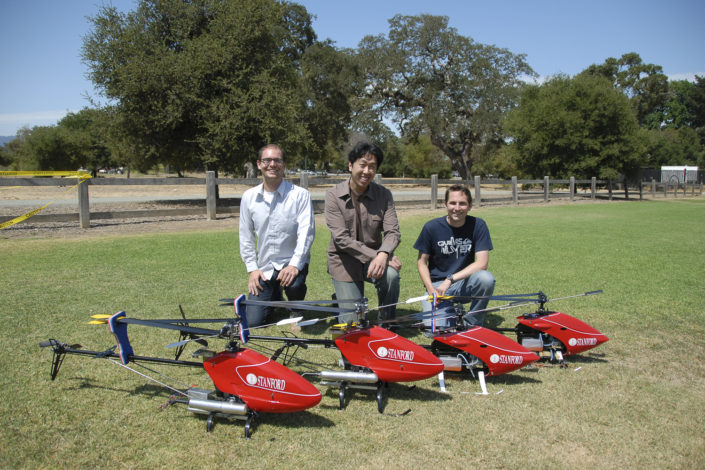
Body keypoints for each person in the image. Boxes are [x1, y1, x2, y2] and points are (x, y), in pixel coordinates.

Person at [239, 144, 315, 326]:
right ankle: (274, 296)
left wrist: (295, 265)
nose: (272, 164)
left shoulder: (300, 195)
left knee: (295, 284)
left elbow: (307, 232)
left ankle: (296, 308)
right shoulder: (249, 197)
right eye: (267, 160)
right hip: (265, 267)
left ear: (284, 164)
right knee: (254, 322)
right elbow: (245, 235)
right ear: (259, 164)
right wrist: (252, 269)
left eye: (277, 160)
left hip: (291, 263)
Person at [325, 142, 402, 323]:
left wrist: (383, 254)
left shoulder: (384, 195)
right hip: (344, 262)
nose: (367, 171)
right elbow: (342, 240)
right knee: (353, 322)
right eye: (363, 165)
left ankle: (387, 322)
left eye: (372, 167)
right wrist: (379, 255)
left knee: (391, 275)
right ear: (351, 166)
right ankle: (343, 299)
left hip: (374, 261)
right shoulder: (333, 196)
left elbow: (393, 232)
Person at [414, 184, 495, 329]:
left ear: (469, 206)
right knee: (437, 331)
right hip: (438, 286)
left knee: (485, 278)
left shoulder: (478, 225)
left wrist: (450, 279)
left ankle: (472, 323)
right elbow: (421, 263)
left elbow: (482, 263)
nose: (457, 208)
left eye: (462, 203)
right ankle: (446, 315)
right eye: (452, 203)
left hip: (463, 282)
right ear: (445, 204)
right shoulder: (431, 227)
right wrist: (431, 290)